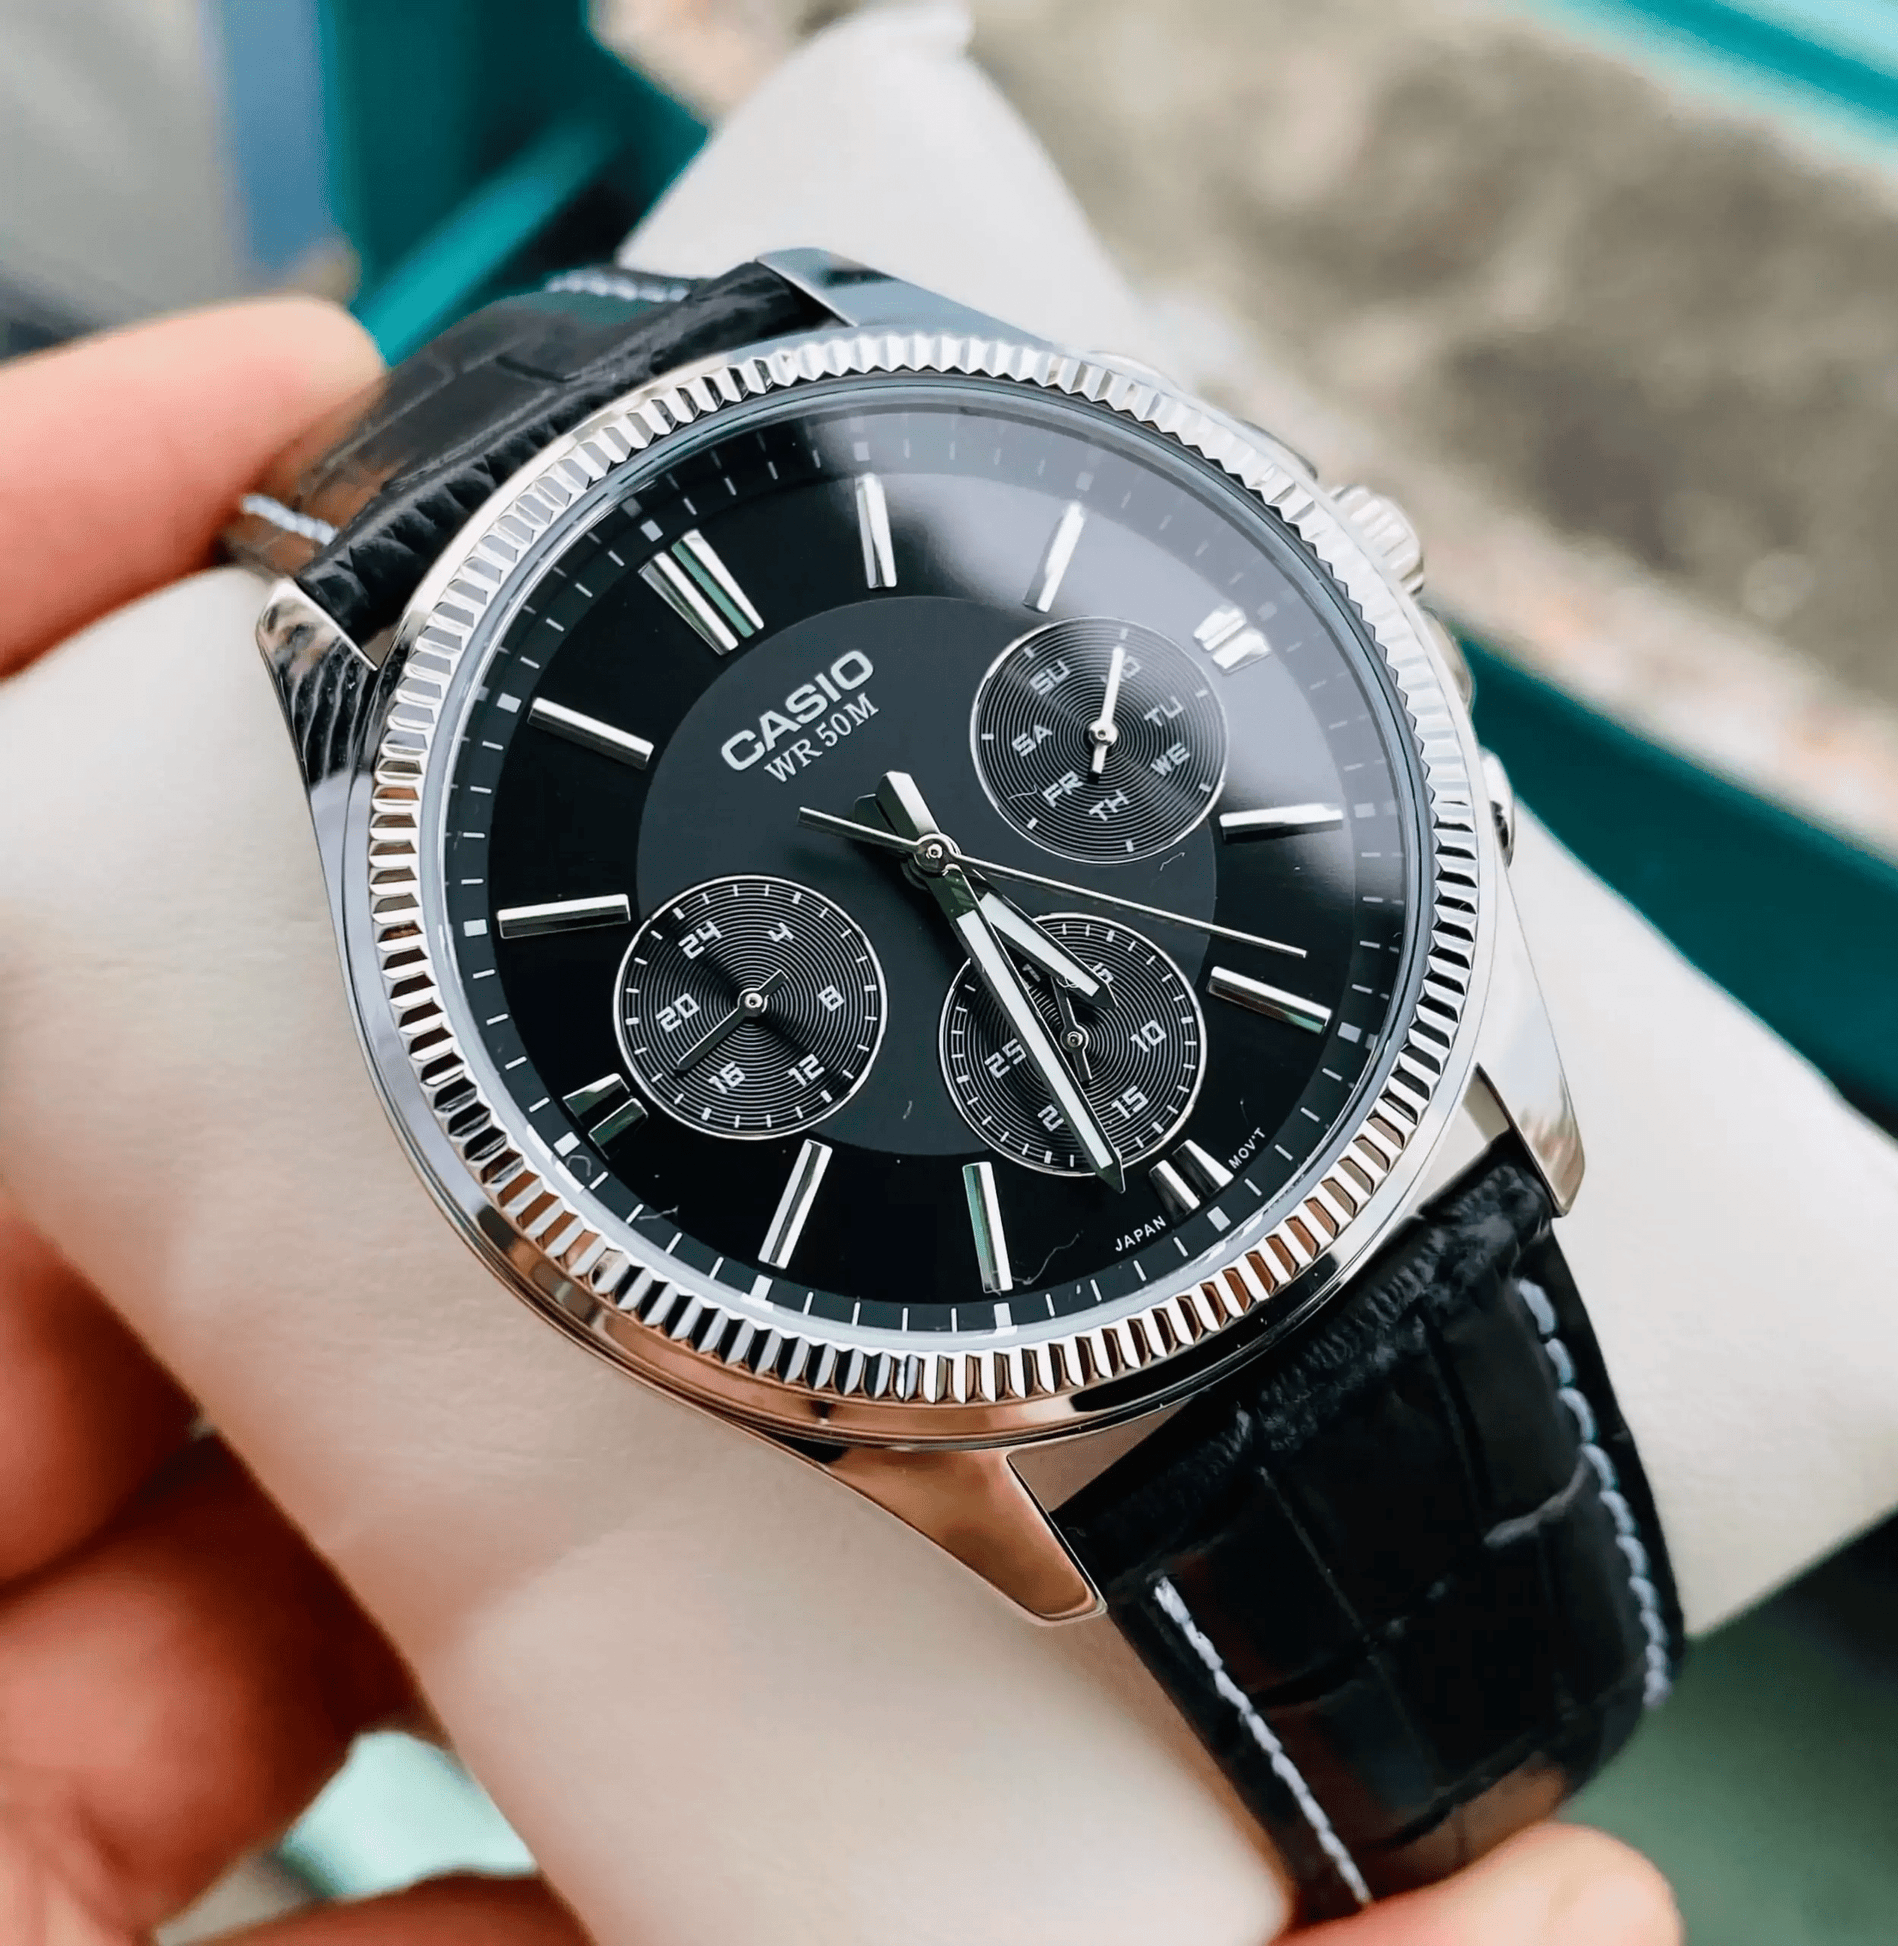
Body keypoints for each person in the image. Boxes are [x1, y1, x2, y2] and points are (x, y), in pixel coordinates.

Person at [0, 299, 1681, 1946]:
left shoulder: (848, 348)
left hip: (1400, 1118)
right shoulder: (386, 738)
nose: (928, 859)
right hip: (1029, 1401)